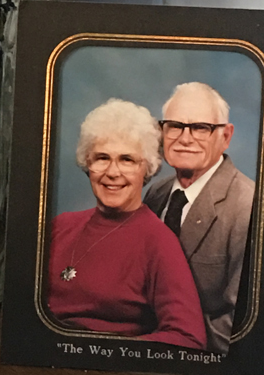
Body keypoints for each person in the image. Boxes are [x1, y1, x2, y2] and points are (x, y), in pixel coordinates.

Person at [46, 98, 206, 349]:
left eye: (127, 160)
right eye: (102, 158)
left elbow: (188, 338)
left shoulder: (159, 242)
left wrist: (108, 353)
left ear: (147, 168)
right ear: (87, 163)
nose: (112, 172)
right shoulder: (60, 226)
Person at [144, 82, 255, 354]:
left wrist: (163, 348)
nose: (185, 138)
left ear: (226, 136)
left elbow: (240, 322)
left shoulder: (248, 207)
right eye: (175, 126)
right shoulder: (156, 193)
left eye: (200, 128)